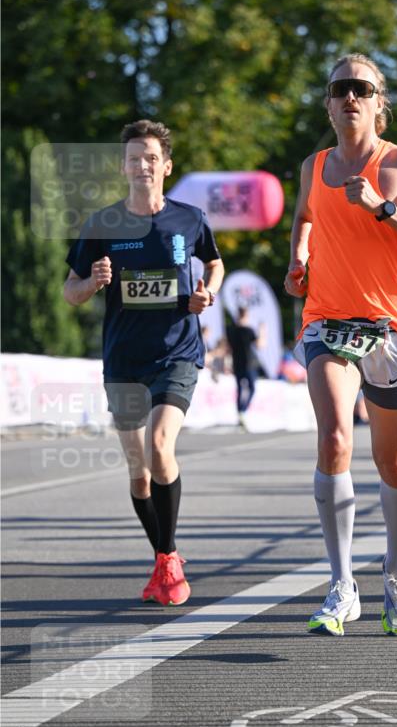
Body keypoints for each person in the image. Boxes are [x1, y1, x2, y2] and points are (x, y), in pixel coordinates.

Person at [284, 52, 397, 637]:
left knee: (394, 463)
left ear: (380, 103)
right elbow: (305, 217)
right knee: (333, 439)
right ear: (328, 103)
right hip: (328, 321)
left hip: (392, 329)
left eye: (363, 88)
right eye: (340, 88)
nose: (350, 97)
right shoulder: (314, 165)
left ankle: (396, 572)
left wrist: (382, 209)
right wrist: (298, 259)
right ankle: (341, 585)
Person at [63, 120, 223, 605]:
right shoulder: (101, 225)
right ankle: (162, 561)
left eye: (151, 157)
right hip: (124, 361)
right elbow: (70, 293)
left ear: (166, 166)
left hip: (176, 354)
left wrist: (207, 293)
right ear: (123, 167)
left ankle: (169, 558)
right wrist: (93, 282)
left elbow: (213, 263)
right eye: (134, 157)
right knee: (138, 472)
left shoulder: (189, 220)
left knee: (159, 446)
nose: (143, 165)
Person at [227, 306, 264, 423]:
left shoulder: (231, 330)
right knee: (252, 388)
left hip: (237, 363)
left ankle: (240, 412)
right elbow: (259, 345)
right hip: (249, 364)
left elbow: (228, 348)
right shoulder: (249, 330)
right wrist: (262, 332)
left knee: (239, 389)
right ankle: (243, 410)